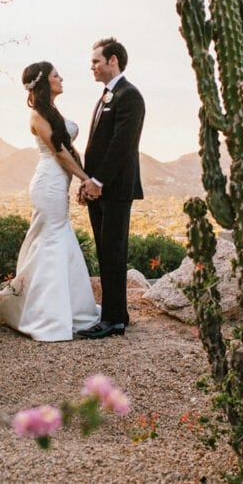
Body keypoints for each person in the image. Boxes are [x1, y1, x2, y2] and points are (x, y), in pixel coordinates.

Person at [0, 62, 101, 342]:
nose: (61, 78)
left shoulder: (52, 111)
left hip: (59, 183)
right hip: (48, 185)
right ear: (43, 83)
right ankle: (47, 317)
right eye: (56, 75)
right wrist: (84, 179)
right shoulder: (37, 115)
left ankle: (68, 310)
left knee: (57, 239)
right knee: (52, 241)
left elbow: (70, 150)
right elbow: (59, 153)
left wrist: (83, 178)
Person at [77, 38, 145, 339]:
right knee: (106, 252)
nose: (92, 66)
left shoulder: (129, 96)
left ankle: (114, 321)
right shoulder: (107, 95)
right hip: (98, 189)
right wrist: (87, 182)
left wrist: (99, 181)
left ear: (112, 60)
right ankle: (117, 313)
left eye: (96, 61)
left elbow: (121, 144)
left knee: (114, 251)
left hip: (114, 189)